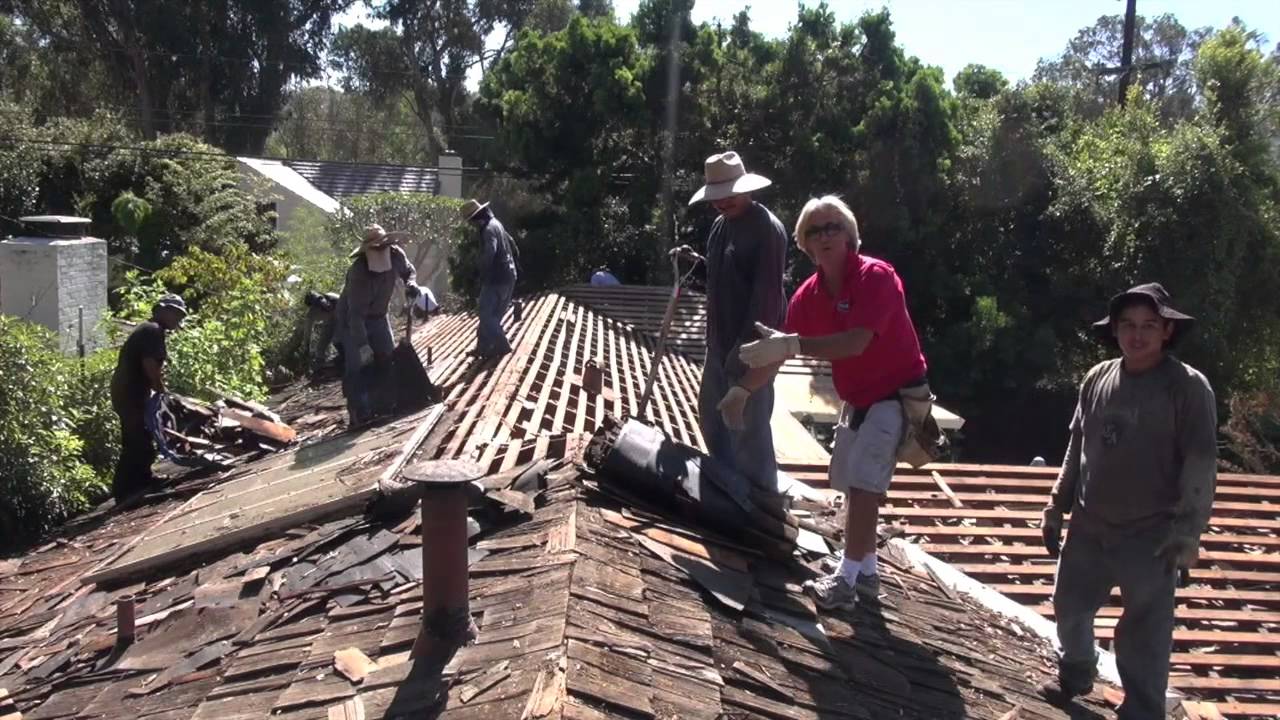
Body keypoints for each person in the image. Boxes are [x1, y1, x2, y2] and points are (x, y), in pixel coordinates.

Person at [739, 196, 929, 611]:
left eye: (832, 227)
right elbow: (780, 352)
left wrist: (792, 342)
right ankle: (868, 572)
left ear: (849, 235)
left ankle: (845, 580)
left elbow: (857, 342)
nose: (824, 236)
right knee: (845, 481)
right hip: (858, 398)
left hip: (895, 394)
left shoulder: (876, 277)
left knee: (864, 484)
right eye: (814, 230)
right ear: (805, 245)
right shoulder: (809, 296)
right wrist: (742, 392)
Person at [1038, 282, 1217, 718]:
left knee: (1145, 631)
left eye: (1148, 326)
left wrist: (1188, 532)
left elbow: (1200, 463)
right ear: (1115, 330)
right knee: (1069, 608)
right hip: (1090, 524)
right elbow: (1078, 447)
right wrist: (1055, 505)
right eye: (1128, 326)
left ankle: (1142, 708)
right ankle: (1077, 671)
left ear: (1166, 331)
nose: (1137, 335)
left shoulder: (1187, 388)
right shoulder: (1097, 378)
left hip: (1151, 531)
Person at [680, 150, 787, 496]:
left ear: (746, 189)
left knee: (749, 432)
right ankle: (727, 494)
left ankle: (760, 505)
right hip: (718, 343)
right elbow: (722, 277)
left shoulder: (766, 229)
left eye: (728, 195)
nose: (722, 203)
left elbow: (766, 298)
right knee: (714, 422)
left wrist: (745, 354)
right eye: (716, 197)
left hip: (749, 349)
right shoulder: (718, 227)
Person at [338, 224, 418, 426]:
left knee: (387, 358)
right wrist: (363, 345)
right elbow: (355, 316)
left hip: (379, 316)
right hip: (354, 321)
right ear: (367, 251)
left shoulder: (395, 254)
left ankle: (383, 405)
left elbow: (409, 272)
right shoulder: (358, 272)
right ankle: (358, 413)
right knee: (358, 366)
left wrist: (411, 283)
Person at [109, 293, 187, 502]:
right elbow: (151, 366)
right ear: (163, 310)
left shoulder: (149, 329)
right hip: (130, 393)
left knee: (142, 437)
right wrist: (162, 393)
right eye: (176, 314)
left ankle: (143, 479)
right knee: (138, 440)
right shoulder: (153, 331)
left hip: (128, 391)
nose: (177, 319)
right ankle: (125, 491)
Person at [461, 199, 518, 359]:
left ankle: (503, 345)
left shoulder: (487, 230)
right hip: (509, 275)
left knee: (486, 314)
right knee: (492, 316)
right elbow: (512, 243)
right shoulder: (496, 223)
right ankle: (482, 347)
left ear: (476, 218)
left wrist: (479, 271)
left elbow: (490, 252)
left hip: (496, 278)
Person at [302, 290, 343, 373]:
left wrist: (306, 346)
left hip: (340, 320)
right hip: (331, 322)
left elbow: (307, 331)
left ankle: (344, 360)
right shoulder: (331, 296)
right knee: (320, 348)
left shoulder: (311, 313)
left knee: (337, 341)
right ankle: (322, 366)